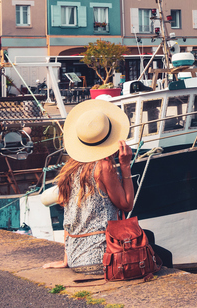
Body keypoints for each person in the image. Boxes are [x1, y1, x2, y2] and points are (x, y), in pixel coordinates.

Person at [42, 100, 135, 274]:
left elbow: (68, 219)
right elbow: (127, 204)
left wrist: (66, 259)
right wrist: (125, 166)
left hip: (76, 259)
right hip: (105, 259)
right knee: (155, 253)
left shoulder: (69, 169)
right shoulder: (103, 167)